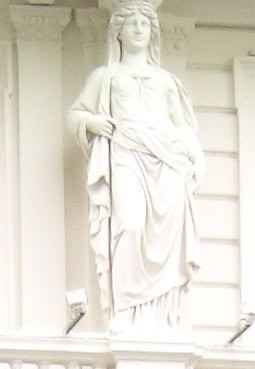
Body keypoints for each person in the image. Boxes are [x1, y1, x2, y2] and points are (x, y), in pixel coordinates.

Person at [69, 0, 203, 335]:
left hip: (168, 160)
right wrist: (91, 122)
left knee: (166, 242)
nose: (139, 29)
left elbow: (181, 126)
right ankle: (126, 309)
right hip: (126, 154)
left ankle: (159, 317)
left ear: (153, 31)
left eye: (145, 23)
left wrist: (198, 156)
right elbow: (76, 113)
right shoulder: (106, 77)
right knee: (129, 224)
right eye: (132, 23)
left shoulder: (166, 80)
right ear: (119, 31)